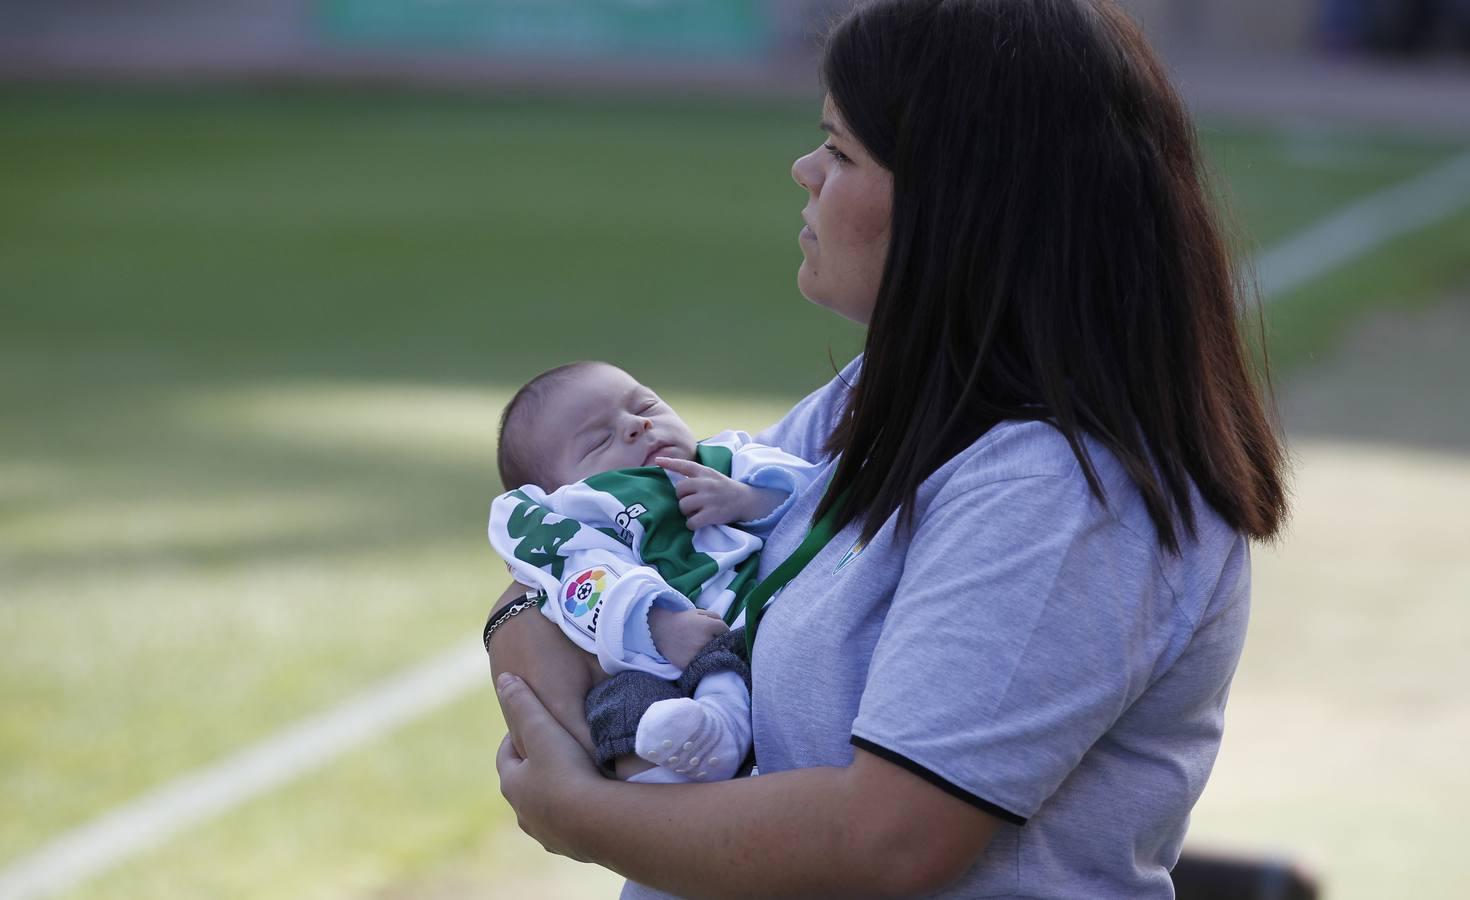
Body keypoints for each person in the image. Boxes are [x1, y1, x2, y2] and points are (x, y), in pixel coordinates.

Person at [487, 0, 1289, 896]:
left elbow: (891, 840)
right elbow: (580, 553)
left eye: (839, 151)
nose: (803, 171)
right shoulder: (884, 392)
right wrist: (530, 618)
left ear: (962, 202)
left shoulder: (1066, 491)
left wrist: (581, 810)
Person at [487, 360, 820, 784]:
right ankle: (659, 791)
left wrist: (747, 499)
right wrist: (654, 624)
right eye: (599, 440)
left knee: (727, 669)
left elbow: (817, 497)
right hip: (651, 667)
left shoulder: (725, 460)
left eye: (645, 405)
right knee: (618, 707)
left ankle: (718, 748)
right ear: (558, 489)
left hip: (741, 627)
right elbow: (583, 588)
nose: (635, 425)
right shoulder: (581, 517)